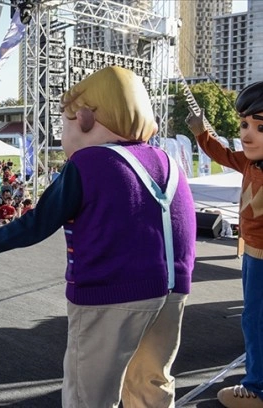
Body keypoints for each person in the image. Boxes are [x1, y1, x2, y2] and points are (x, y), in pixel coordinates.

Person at [0, 66, 196, 407]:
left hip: (109, 294)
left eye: (63, 122)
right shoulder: (168, 162)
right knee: (152, 384)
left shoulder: (89, 164)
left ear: (86, 118)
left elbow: (35, 225)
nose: (61, 134)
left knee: (90, 393)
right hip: (173, 292)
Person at [186, 81, 263, 408]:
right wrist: (201, 133)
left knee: (255, 318)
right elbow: (221, 152)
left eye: (260, 127)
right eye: (244, 124)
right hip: (253, 255)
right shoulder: (248, 163)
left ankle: (257, 387)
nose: (247, 134)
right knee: (253, 317)